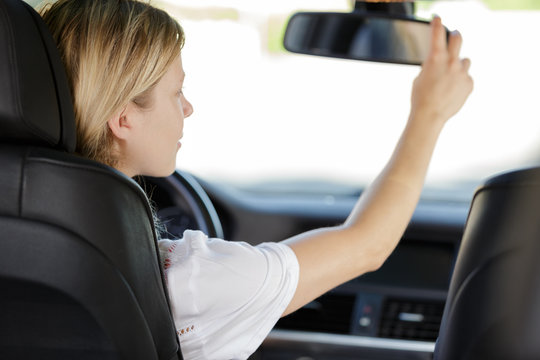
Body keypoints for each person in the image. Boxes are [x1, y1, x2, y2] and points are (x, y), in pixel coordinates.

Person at [39, 0, 473, 359]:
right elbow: (368, 244)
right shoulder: (187, 281)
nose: (187, 109)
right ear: (124, 117)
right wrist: (429, 113)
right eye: (177, 92)